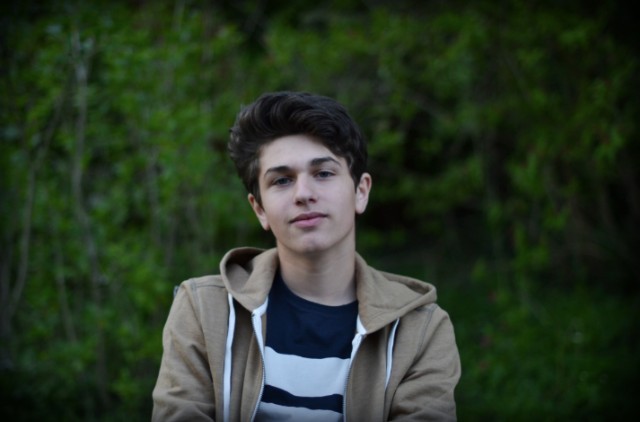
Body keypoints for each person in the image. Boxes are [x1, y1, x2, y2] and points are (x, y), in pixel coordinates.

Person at [152, 91, 461, 421]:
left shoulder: (420, 329)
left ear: (361, 191)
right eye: (282, 180)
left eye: (323, 173)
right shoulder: (203, 310)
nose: (304, 194)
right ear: (259, 210)